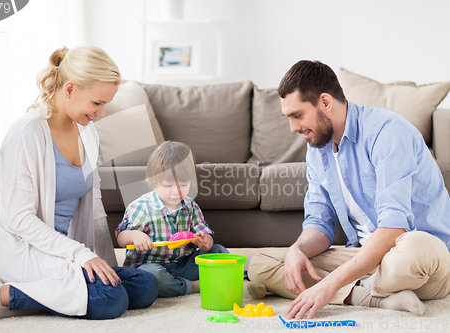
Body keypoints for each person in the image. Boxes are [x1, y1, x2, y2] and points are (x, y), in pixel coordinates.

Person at [0, 45, 158, 321]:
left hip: (63, 254)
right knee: (111, 300)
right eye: (97, 103)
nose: (103, 113)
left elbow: (94, 212)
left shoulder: (87, 133)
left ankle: (29, 299)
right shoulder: (26, 134)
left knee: (144, 287)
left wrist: (103, 265)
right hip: (23, 252)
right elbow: (20, 219)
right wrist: (80, 255)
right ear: (70, 89)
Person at [247, 60, 450, 320]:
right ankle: (372, 296)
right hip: (364, 258)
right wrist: (298, 250)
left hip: (419, 261)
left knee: (417, 247)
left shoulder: (387, 132)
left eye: (297, 115)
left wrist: (327, 285)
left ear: (325, 102)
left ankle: (353, 289)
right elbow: (319, 223)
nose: (293, 128)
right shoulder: (317, 150)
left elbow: (393, 229)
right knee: (263, 264)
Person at [116, 141, 229, 297]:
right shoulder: (141, 207)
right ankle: (194, 287)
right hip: (151, 265)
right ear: (153, 181)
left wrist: (204, 242)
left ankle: (211, 279)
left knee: (219, 251)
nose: (176, 192)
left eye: (183, 184)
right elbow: (121, 238)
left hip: (183, 263)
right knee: (152, 278)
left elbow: (206, 240)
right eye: (168, 185)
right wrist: (134, 236)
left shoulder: (191, 206)